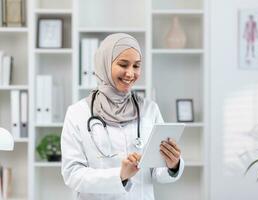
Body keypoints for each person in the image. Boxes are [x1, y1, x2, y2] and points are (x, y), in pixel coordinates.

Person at [61, 33, 184, 200]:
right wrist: (119, 175)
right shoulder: (77, 113)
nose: (130, 73)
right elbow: (72, 174)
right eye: (123, 64)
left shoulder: (149, 109)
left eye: (136, 66)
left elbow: (157, 171)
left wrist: (172, 165)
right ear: (104, 63)